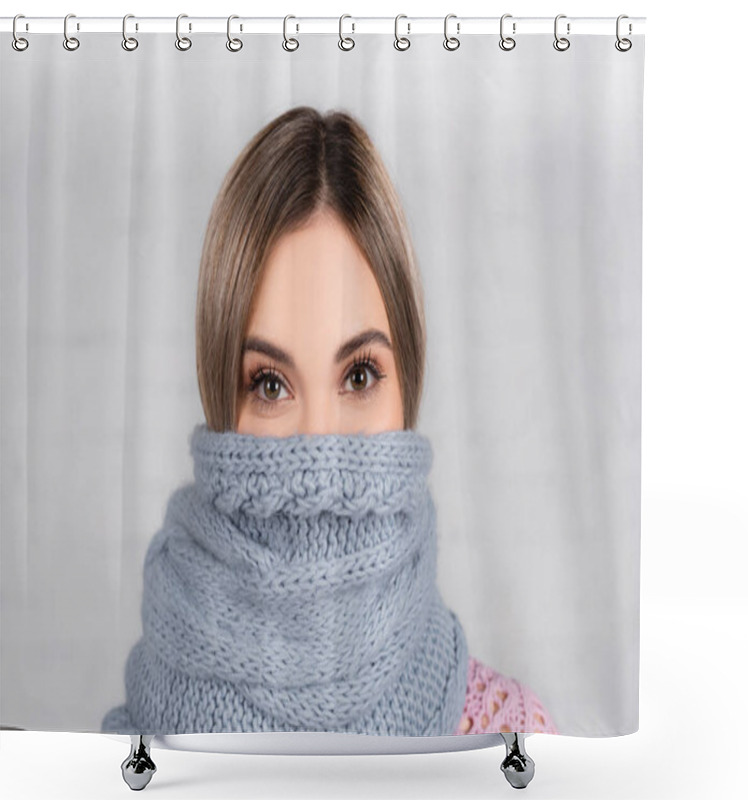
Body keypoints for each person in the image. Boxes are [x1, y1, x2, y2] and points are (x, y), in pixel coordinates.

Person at [102, 106, 556, 737]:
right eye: (269, 384)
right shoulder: (128, 757)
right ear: (218, 401)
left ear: (409, 388)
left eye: (360, 377)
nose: (319, 447)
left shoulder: (509, 741)